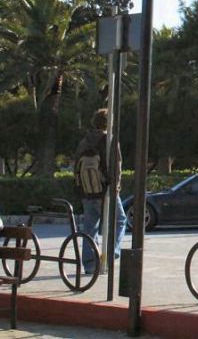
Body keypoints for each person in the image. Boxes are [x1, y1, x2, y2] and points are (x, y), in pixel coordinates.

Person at [74, 108, 126, 274]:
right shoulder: (109, 140)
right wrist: (115, 188)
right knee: (120, 221)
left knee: (90, 227)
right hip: (106, 190)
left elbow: (76, 167)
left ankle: (90, 264)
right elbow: (116, 167)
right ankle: (111, 254)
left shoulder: (84, 142)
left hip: (87, 191)